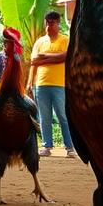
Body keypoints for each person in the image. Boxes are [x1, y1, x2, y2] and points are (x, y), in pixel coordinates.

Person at [29, 11, 75, 157]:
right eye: (47, 22)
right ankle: (47, 146)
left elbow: (66, 56)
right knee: (44, 116)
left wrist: (45, 57)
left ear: (58, 24)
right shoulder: (39, 42)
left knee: (63, 115)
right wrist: (30, 82)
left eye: (53, 22)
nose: (49, 25)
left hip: (59, 84)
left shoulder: (65, 40)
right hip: (41, 84)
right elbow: (34, 61)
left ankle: (69, 147)